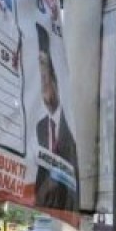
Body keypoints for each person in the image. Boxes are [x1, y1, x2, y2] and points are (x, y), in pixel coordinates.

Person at [34, 23, 78, 211]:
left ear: (54, 74)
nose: (41, 77)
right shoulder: (40, 127)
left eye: (42, 65)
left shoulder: (74, 123)